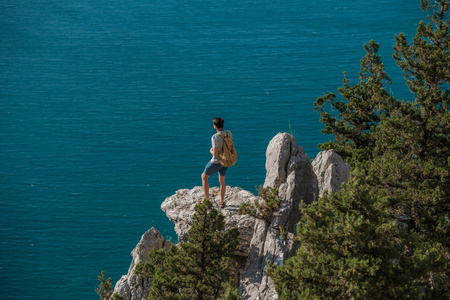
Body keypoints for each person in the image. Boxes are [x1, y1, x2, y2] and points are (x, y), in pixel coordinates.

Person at [201, 117, 232, 208]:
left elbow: (215, 154)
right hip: (225, 161)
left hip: (216, 162)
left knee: (204, 176)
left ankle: (207, 199)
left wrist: (210, 150)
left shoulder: (215, 137)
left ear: (215, 126)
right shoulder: (229, 133)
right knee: (222, 181)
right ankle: (221, 201)